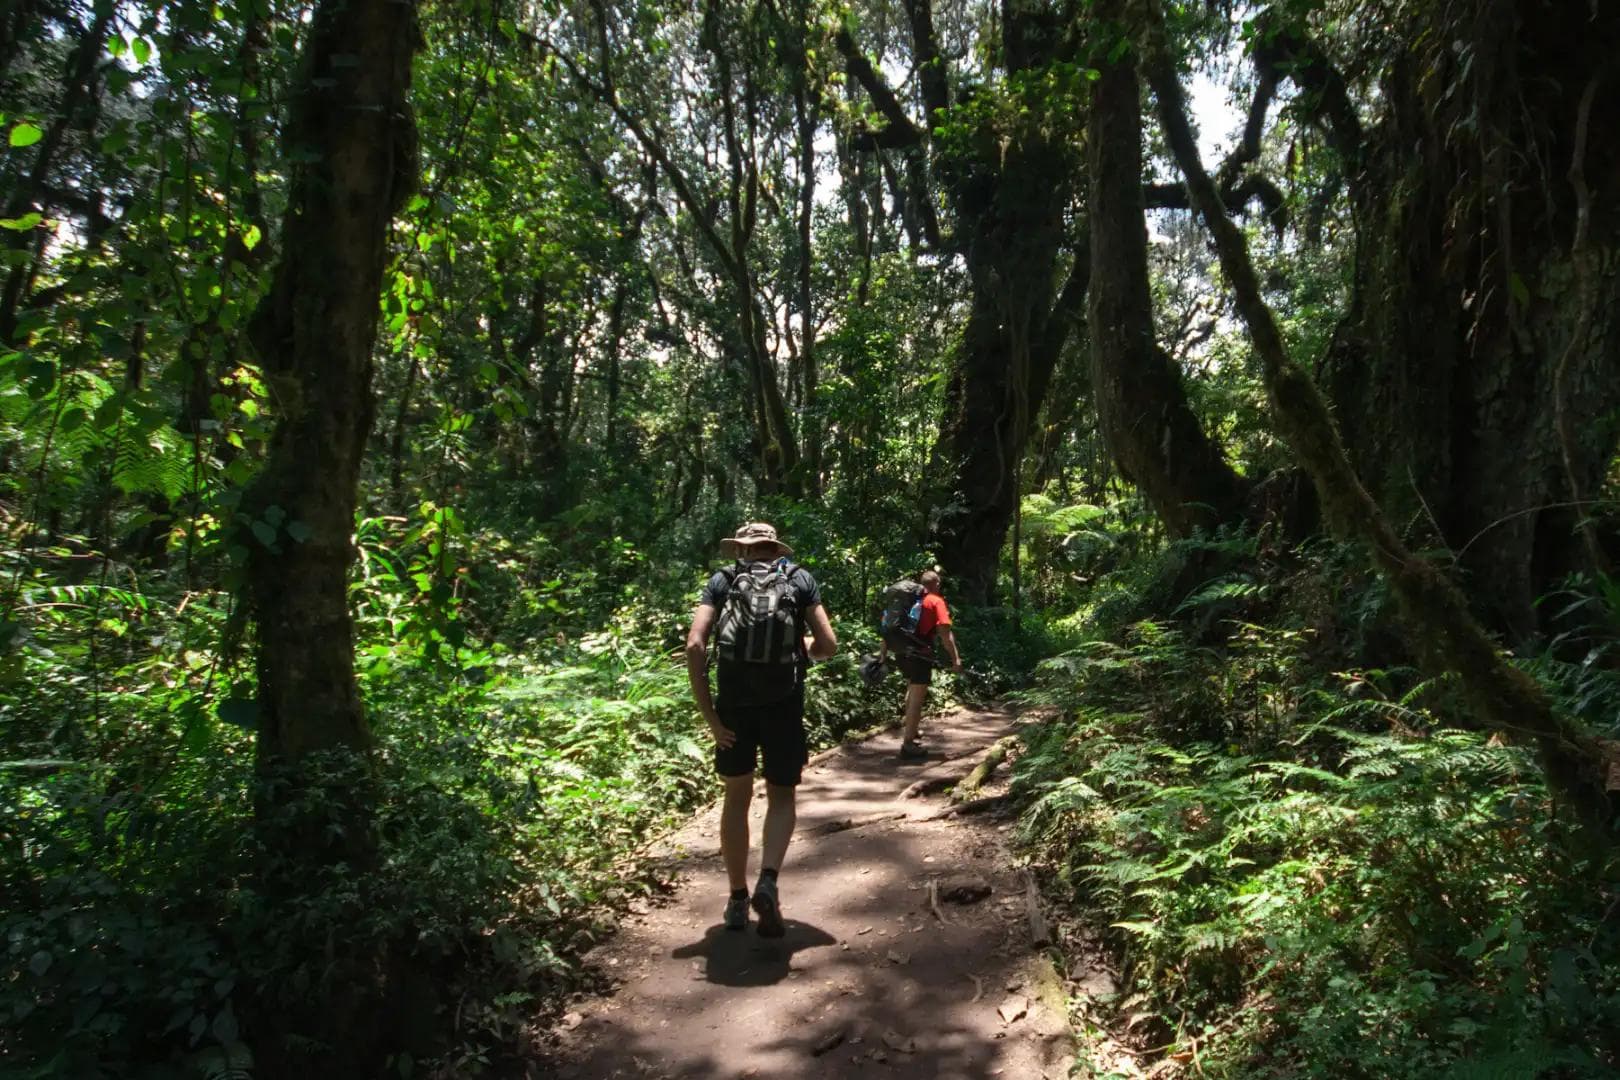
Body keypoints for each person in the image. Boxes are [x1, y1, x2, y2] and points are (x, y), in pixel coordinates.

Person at [685, 522, 836, 937]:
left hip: (733, 710)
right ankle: (768, 879)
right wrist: (800, 650)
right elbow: (828, 645)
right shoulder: (799, 579)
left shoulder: (722, 580)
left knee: (737, 797)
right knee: (781, 795)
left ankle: (737, 899)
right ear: (775, 548)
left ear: (742, 550)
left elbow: (696, 645)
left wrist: (711, 719)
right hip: (784, 706)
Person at [876, 569, 961, 760]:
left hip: (900, 652)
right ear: (936, 584)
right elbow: (945, 634)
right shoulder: (935, 601)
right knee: (917, 696)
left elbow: (886, 629)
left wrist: (882, 655)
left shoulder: (904, 602)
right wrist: (955, 659)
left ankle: (912, 731)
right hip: (920, 654)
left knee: (912, 689)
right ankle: (908, 745)